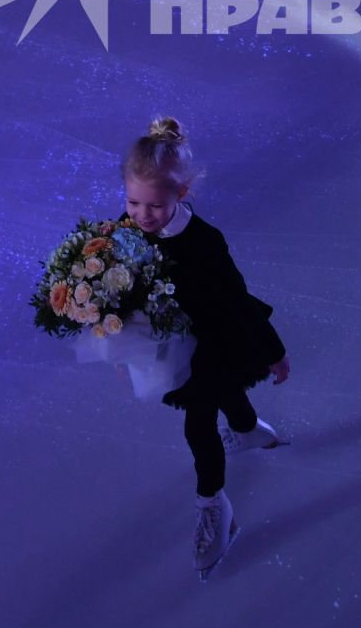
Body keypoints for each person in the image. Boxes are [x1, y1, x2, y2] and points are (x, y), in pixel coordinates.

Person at [122, 116, 290, 579]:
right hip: (171, 343)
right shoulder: (127, 230)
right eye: (133, 201)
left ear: (182, 194)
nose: (142, 215)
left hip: (215, 340)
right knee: (222, 394)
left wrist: (272, 349)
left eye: (154, 205)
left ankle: (214, 504)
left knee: (200, 425)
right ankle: (249, 428)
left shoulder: (206, 243)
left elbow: (237, 298)